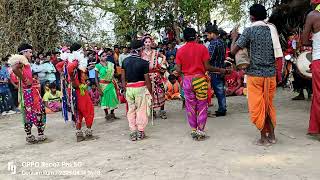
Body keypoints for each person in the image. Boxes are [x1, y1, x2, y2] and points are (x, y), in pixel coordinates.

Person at [231, 4, 283, 146]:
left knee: (258, 106)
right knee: (268, 105)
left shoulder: (249, 31)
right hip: (270, 74)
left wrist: (234, 37)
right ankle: (272, 135)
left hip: (255, 75)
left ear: (252, 16)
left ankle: (263, 139)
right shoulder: (272, 29)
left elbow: (233, 51)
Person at [176, 28, 229, 140]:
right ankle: (200, 130)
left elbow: (178, 69)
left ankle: (194, 129)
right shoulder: (202, 48)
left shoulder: (180, 51)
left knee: (190, 106)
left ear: (184, 38)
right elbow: (207, 67)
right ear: (195, 36)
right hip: (200, 79)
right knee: (202, 105)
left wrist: (183, 78)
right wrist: (221, 70)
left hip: (187, 80)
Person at [56, 43, 95, 142]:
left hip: (72, 91)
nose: (83, 52)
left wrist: (65, 77)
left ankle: (79, 133)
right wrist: (73, 80)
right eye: (81, 50)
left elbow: (58, 66)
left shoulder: (68, 61)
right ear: (78, 51)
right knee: (87, 110)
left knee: (77, 112)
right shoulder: (75, 61)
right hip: (79, 90)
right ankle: (88, 131)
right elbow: (69, 69)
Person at [9, 43, 47, 143]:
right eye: (30, 52)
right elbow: (14, 69)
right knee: (37, 110)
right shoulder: (22, 61)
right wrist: (25, 79)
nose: (31, 54)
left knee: (28, 112)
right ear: (24, 52)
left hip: (28, 91)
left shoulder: (25, 62)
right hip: (29, 92)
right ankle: (39, 134)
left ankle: (31, 135)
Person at [121, 40, 152, 141]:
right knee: (141, 110)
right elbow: (147, 80)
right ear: (141, 49)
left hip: (129, 88)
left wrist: (125, 90)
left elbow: (123, 78)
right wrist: (150, 92)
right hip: (140, 88)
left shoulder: (125, 61)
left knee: (131, 110)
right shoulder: (144, 63)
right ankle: (140, 131)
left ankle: (133, 131)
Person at [302, 0, 320, 137]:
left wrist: (313, 41)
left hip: (319, 60)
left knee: (318, 95)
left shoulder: (313, 15)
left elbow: (304, 40)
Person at [141, 36, 168, 119]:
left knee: (161, 92)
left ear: (151, 43)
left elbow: (164, 57)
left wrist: (161, 64)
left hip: (157, 75)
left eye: (149, 42)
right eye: (146, 42)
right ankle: (152, 111)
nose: (148, 44)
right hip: (147, 77)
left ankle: (162, 111)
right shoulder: (141, 53)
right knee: (149, 94)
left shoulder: (155, 52)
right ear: (143, 44)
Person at [205, 25, 227, 116]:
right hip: (221, 68)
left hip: (214, 69)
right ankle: (222, 107)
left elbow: (209, 57)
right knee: (220, 89)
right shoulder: (222, 42)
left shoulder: (214, 43)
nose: (207, 37)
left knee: (219, 90)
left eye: (208, 35)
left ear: (212, 34)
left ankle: (222, 109)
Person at [95, 51, 119, 120]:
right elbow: (96, 78)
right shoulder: (98, 66)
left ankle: (112, 113)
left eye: (106, 56)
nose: (105, 57)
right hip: (102, 85)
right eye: (103, 56)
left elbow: (114, 74)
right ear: (99, 57)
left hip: (110, 83)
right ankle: (106, 114)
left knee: (113, 98)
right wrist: (99, 89)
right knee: (104, 99)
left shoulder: (110, 64)